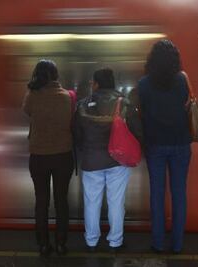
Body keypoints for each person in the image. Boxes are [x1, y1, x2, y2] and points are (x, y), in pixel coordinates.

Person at [74, 68, 141, 252]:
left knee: (91, 202)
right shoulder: (123, 103)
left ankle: (91, 241)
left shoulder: (82, 104)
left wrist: (85, 148)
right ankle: (115, 242)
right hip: (117, 161)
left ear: (96, 84)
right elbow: (137, 130)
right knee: (116, 201)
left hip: (91, 160)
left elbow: (76, 134)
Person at [137, 39, 192, 254]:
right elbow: (189, 105)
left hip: (155, 145)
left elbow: (141, 112)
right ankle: (177, 244)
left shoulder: (143, 84)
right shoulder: (182, 80)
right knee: (179, 194)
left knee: (157, 194)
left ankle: (157, 242)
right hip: (180, 144)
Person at [22, 59, 74, 257]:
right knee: (61, 201)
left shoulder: (32, 96)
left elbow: (26, 111)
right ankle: (61, 243)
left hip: (39, 157)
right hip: (63, 156)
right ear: (56, 75)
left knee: (41, 201)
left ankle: (43, 244)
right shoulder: (67, 97)